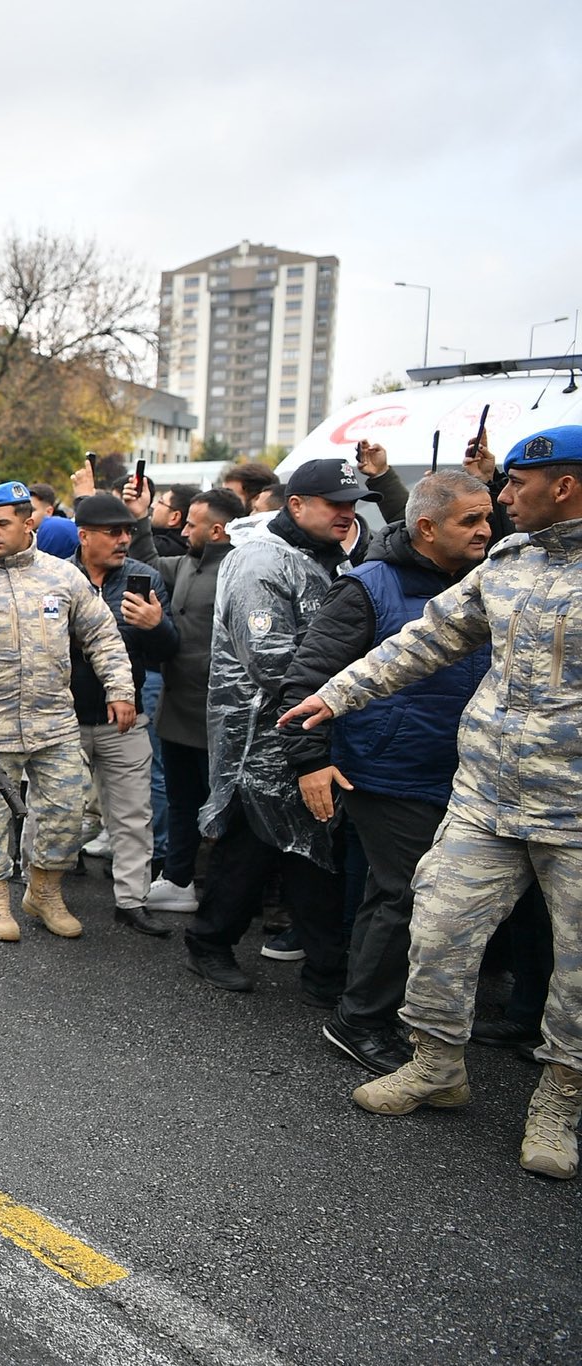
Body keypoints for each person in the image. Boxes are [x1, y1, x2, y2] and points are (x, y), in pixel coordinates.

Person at [281, 426, 582, 1179]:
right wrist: (336, 695)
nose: (504, 499)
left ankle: (560, 1101)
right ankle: (436, 1064)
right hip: (484, 797)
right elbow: (426, 639)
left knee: (577, 968)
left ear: (564, 486)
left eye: (515, 485)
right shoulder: (510, 563)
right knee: (439, 925)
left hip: (573, 811)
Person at [277, 469, 493, 1075]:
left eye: (488, 517)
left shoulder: (487, 581)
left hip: (465, 772)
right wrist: (311, 762)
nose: (486, 530)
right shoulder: (367, 588)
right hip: (388, 770)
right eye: (470, 521)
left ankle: (392, 1011)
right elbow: (305, 681)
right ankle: (361, 1020)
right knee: (406, 893)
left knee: (400, 895)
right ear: (426, 527)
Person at [187, 458, 372, 996]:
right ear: (296, 504)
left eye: (352, 503)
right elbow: (269, 660)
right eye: (335, 503)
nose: (347, 513)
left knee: (311, 846)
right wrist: (346, 686)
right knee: (250, 848)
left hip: (312, 726)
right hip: (260, 736)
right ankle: (209, 943)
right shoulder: (260, 560)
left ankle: (325, 971)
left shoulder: (329, 557)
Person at [0, 482, 131, 942]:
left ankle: (44, 892)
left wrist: (120, 689)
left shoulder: (63, 577)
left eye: (3, 523)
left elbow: (102, 635)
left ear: (28, 522)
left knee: (67, 813)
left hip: (55, 725)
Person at [70, 493, 179, 937]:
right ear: (84, 536)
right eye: (112, 532)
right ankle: (41, 887)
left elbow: (168, 651)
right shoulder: (57, 576)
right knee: (53, 810)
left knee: (134, 814)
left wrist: (157, 626)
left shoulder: (144, 578)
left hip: (124, 719)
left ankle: (132, 901)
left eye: (128, 531)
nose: (123, 540)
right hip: (65, 720)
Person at [145, 489, 246, 912]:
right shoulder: (186, 563)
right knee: (182, 801)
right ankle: (178, 879)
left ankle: (222, 898)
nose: (184, 531)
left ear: (217, 530)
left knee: (223, 809)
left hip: (216, 715)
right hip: (178, 709)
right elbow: (146, 562)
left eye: (192, 524)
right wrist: (138, 513)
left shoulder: (240, 570)